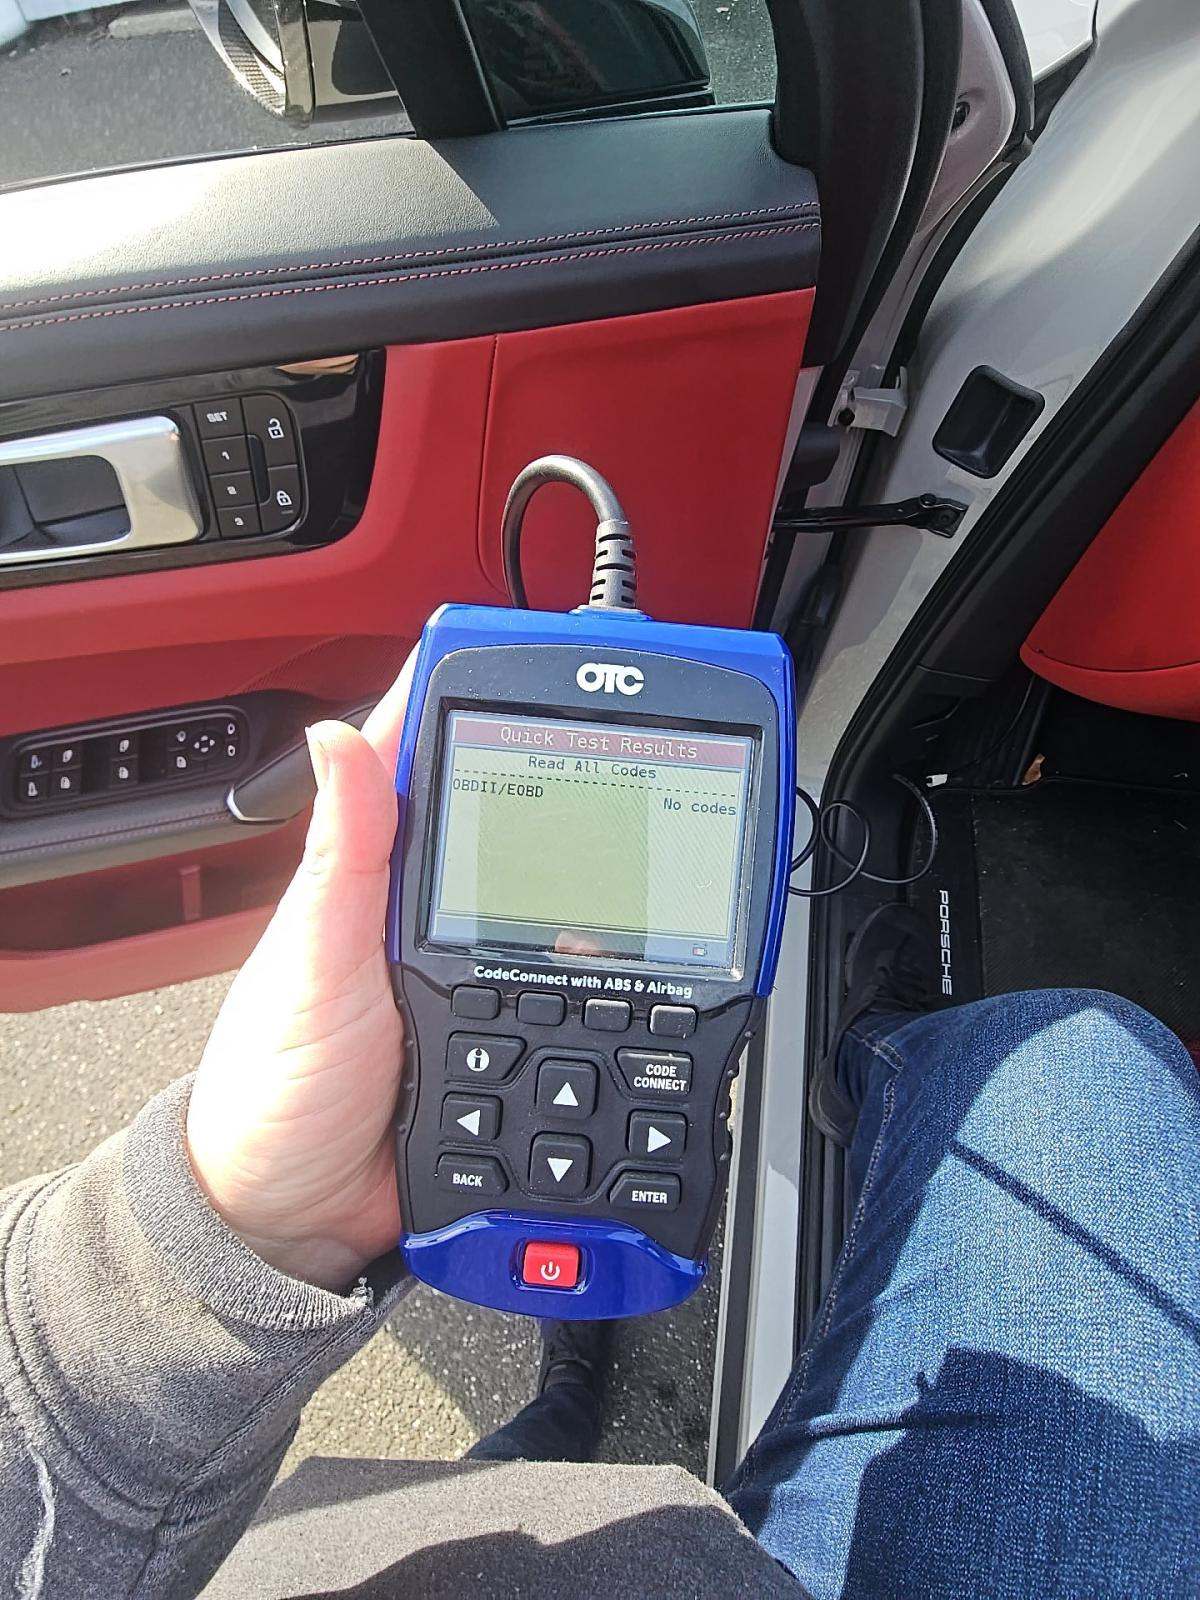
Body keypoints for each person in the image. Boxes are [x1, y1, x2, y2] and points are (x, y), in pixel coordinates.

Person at [1, 660, 1196, 1600]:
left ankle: (556, 1414)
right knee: (1076, 1062)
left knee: (508, 1477)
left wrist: (239, 1222)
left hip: (420, 1559)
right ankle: (869, 1054)